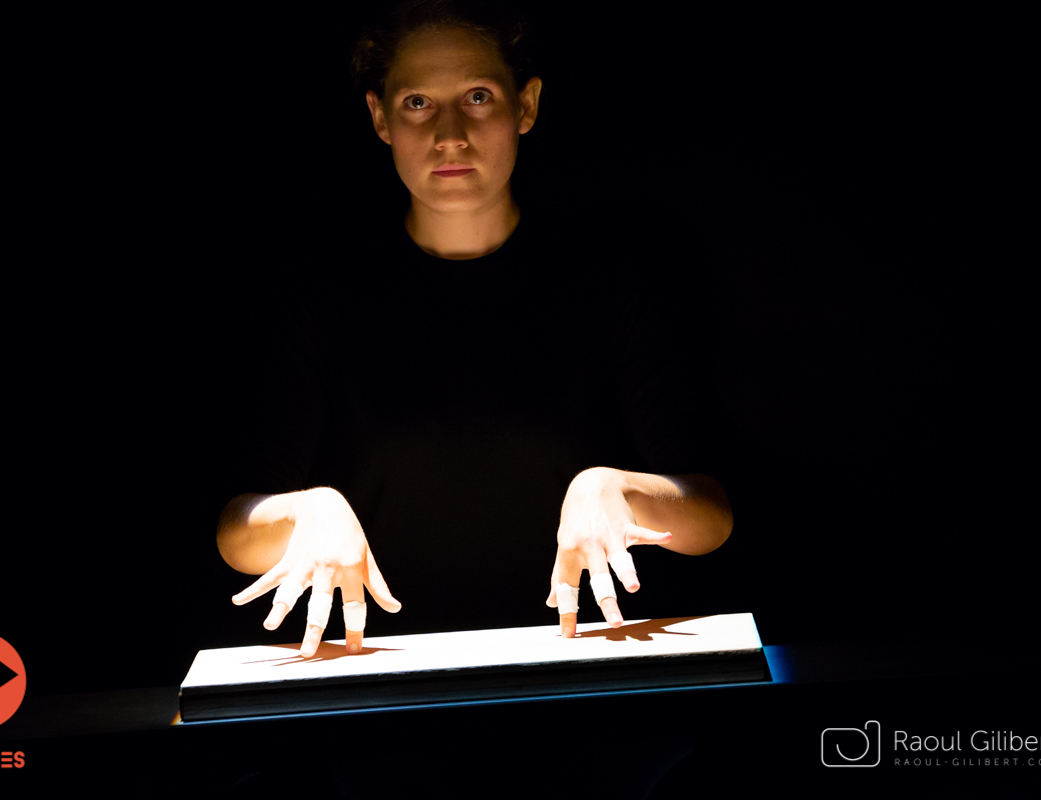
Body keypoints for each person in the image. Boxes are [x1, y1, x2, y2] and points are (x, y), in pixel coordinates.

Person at [215, 0, 733, 659]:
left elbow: (712, 515)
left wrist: (621, 490)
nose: (450, 134)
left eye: (478, 96)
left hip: (592, 672)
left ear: (526, 105)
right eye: (418, 104)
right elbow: (236, 529)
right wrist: (303, 513)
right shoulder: (323, 292)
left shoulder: (613, 279)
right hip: (376, 689)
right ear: (380, 117)